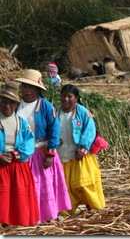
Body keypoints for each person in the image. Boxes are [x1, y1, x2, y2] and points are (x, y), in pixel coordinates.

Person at [15, 69, 71, 223]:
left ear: (37, 89)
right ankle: (25, 215)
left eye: (31, 87)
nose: (27, 91)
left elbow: (54, 128)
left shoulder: (45, 106)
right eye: (25, 87)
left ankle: (44, 215)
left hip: (40, 153)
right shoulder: (16, 105)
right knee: (24, 186)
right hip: (21, 154)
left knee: (43, 186)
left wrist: (50, 153)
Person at [57, 84, 105, 214]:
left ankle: (93, 209)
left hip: (80, 156)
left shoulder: (82, 112)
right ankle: (66, 213)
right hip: (63, 156)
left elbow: (90, 131)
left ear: (76, 98)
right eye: (63, 96)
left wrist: (82, 149)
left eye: (70, 96)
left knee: (83, 184)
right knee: (66, 187)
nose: (66, 99)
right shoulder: (55, 112)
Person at [0, 81, 40, 226]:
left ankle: (14, 222)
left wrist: (14, 155)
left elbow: (29, 142)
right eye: (4, 102)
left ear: (16, 105)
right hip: (0, 165)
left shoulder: (21, 123)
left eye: (11, 103)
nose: (7, 106)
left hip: (17, 166)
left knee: (17, 198)